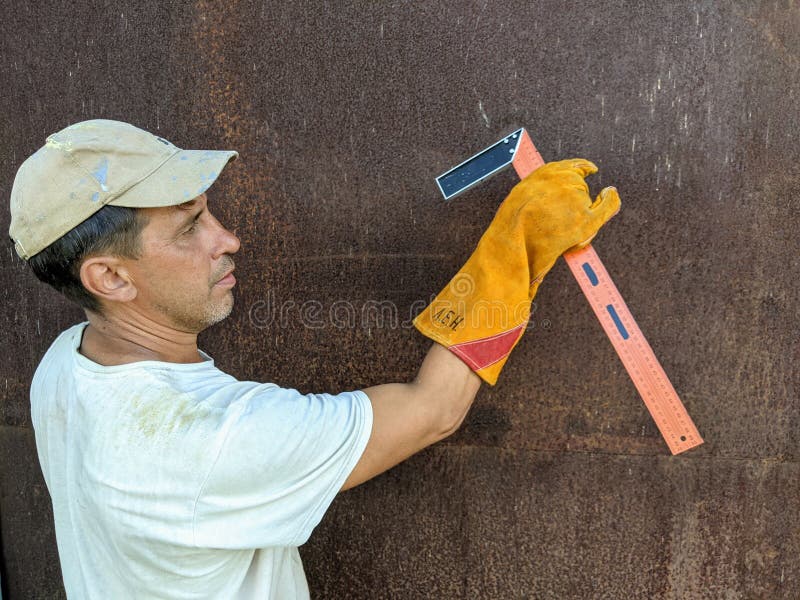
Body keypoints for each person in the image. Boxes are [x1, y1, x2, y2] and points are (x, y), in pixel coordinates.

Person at [9, 119, 620, 599]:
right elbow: (433, 410)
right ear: (110, 277)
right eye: (189, 228)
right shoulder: (208, 441)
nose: (227, 238)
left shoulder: (67, 365)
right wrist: (515, 249)